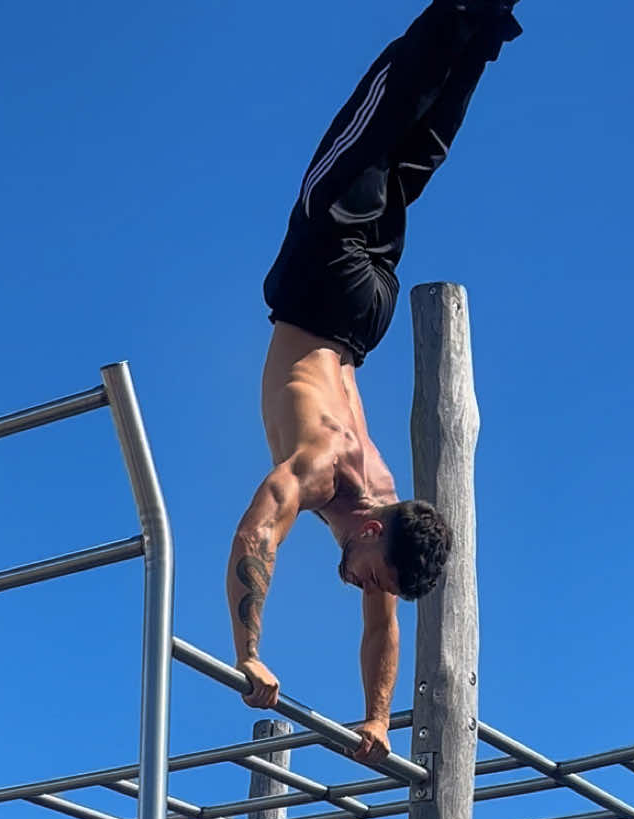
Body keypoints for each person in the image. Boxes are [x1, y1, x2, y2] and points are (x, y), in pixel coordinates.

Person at [227, 0, 522, 760]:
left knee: (413, 160)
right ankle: (457, 15)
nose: (361, 585)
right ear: (371, 531)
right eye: (369, 574)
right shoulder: (325, 468)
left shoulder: (386, 507)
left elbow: (383, 626)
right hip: (322, 276)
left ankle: (482, 31)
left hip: (366, 313)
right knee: (380, 113)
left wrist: (378, 718)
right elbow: (257, 533)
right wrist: (247, 650)